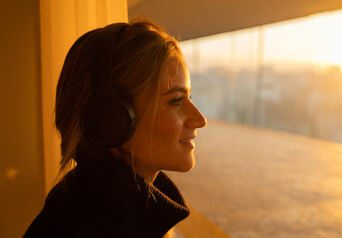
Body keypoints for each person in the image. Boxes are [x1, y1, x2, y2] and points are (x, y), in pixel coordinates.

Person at [23, 18, 206, 238]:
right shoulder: (77, 227)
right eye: (176, 101)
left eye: (189, 98)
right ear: (110, 119)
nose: (200, 119)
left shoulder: (98, 207)